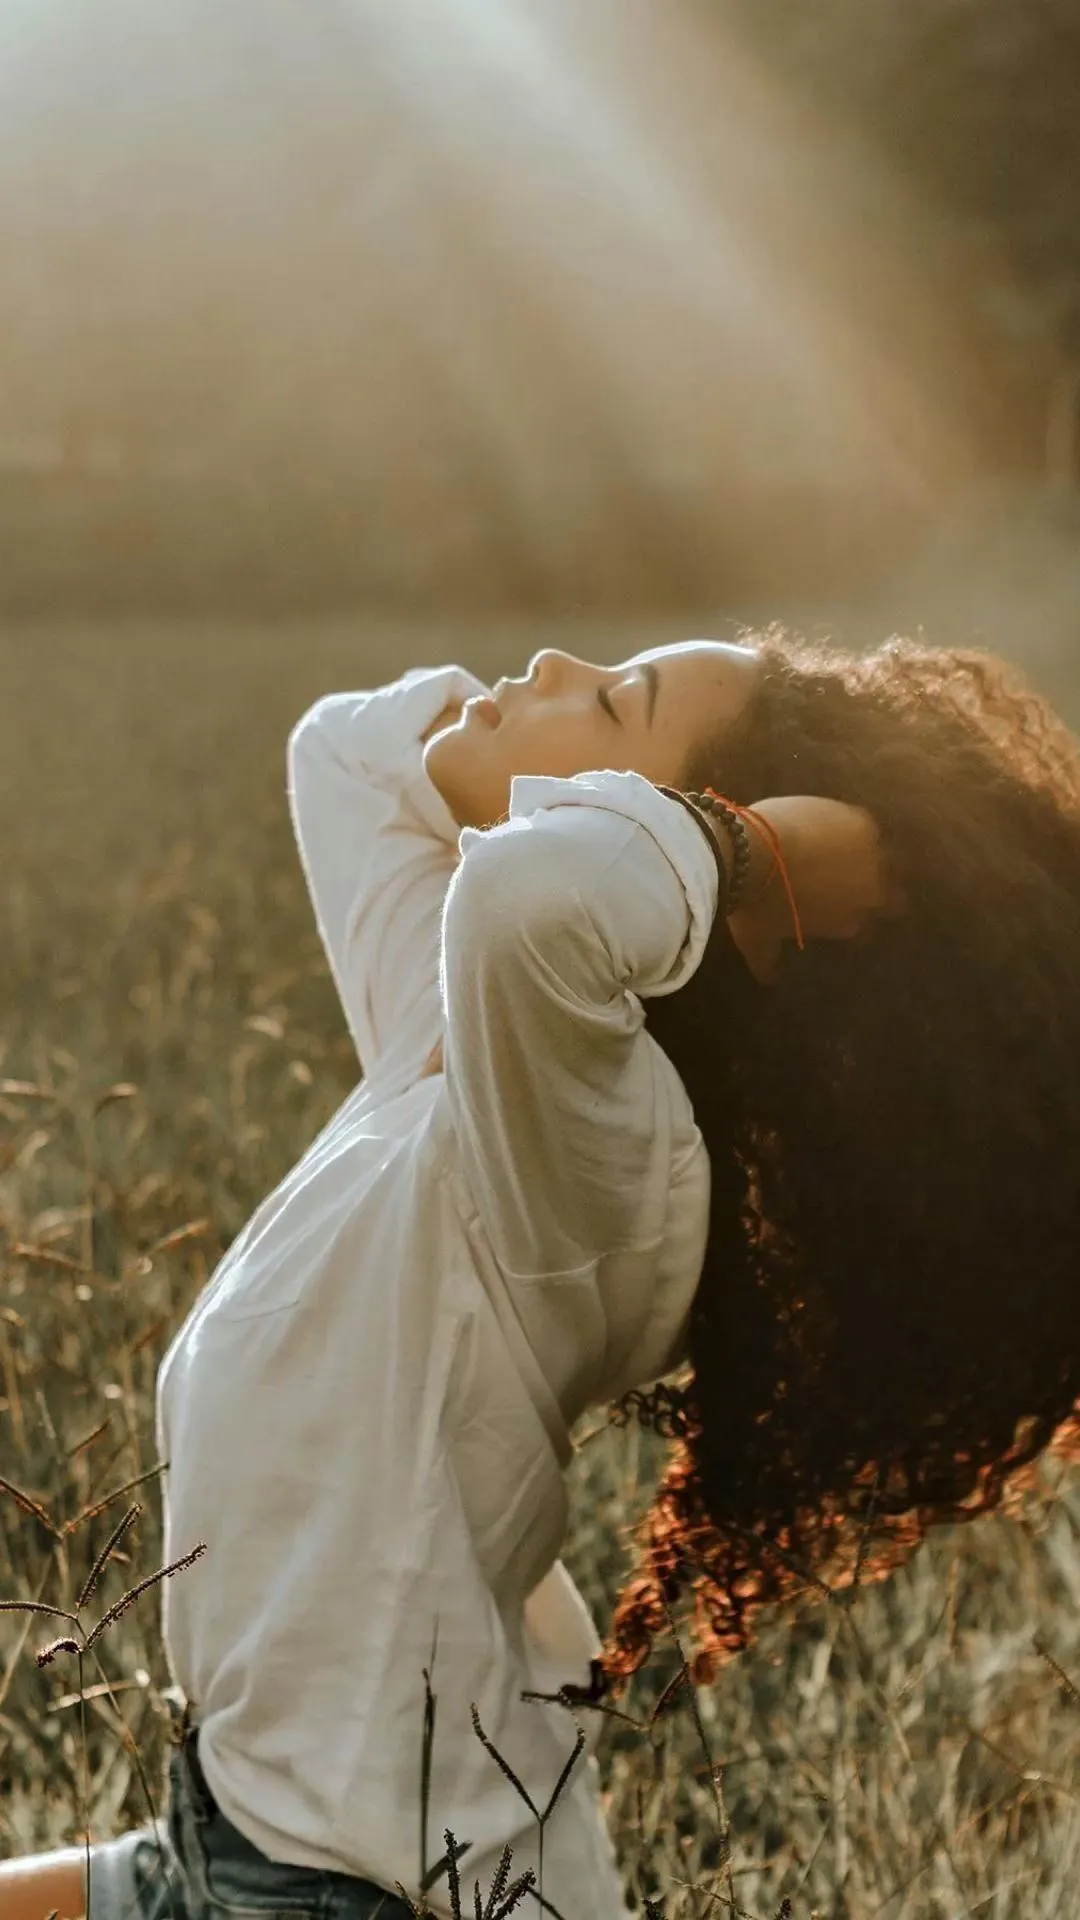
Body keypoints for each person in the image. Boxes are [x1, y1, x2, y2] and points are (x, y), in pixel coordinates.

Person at [5, 631, 1080, 1920]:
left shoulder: (607, 1165)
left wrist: (765, 853)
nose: (561, 658)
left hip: (344, 1882)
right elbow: (342, 751)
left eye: (619, 702)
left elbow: (538, 897)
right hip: (241, 1828)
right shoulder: (456, 1053)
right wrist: (514, 739)